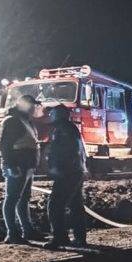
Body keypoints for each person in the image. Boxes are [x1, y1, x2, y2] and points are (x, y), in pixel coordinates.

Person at [0, 94, 43, 244]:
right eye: (31, 104)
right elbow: (4, 146)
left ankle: (27, 230)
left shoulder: (25, 121)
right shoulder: (12, 121)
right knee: (12, 199)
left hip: (26, 166)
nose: (33, 107)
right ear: (22, 104)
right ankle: (12, 233)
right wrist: (11, 165)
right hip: (18, 165)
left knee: (23, 200)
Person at [44, 105, 88, 249]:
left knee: (55, 205)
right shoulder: (71, 128)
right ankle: (80, 238)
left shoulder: (62, 129)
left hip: (67, 173)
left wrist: (56, 168)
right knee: (76, 206)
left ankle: (60, 237)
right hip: (76, 171)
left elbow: (63, 151)